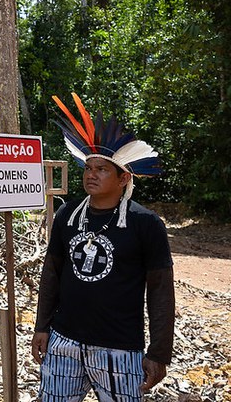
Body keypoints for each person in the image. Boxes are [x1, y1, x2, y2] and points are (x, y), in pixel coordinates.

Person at [31, 93, 175, 402]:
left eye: (101, 169)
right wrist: (42, 326)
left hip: (119, 349)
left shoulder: (145, 224)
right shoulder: (68, 214)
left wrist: (160, 352)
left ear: (124, 178)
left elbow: (161, 290)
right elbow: (52, 272)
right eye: (88, 168)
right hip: (63, 343)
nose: (91, 174)